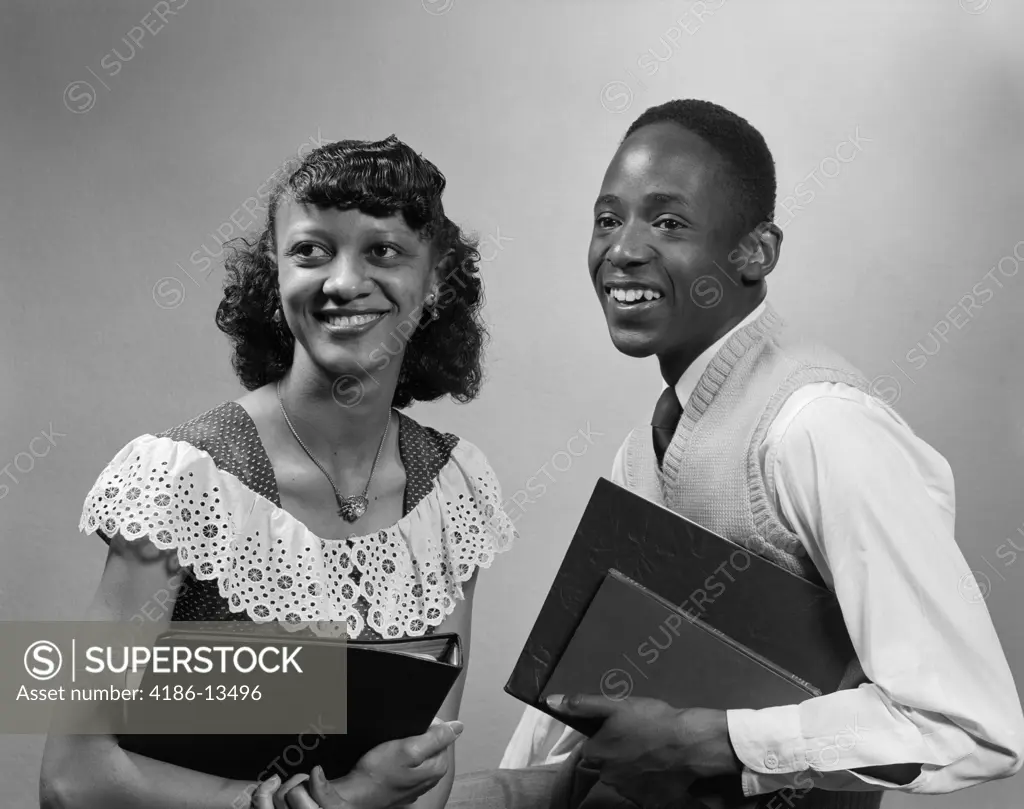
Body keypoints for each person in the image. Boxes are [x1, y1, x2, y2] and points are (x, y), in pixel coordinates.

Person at [454, 99, 1024, 807]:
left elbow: (973, 723)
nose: (622, 249)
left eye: (667, 222)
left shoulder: (820, 427)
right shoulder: (639, 452)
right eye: (608, 218)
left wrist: (717, 740)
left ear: (755, 252)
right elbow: (575, 708)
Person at [39, 135, 517, 809]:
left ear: (435, 280)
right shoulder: (180, 478)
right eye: (311, 251)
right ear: (275, 274)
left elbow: (427, 767)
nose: (344, 282)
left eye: (382, 250)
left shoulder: (452, 486)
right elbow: (70, 775)